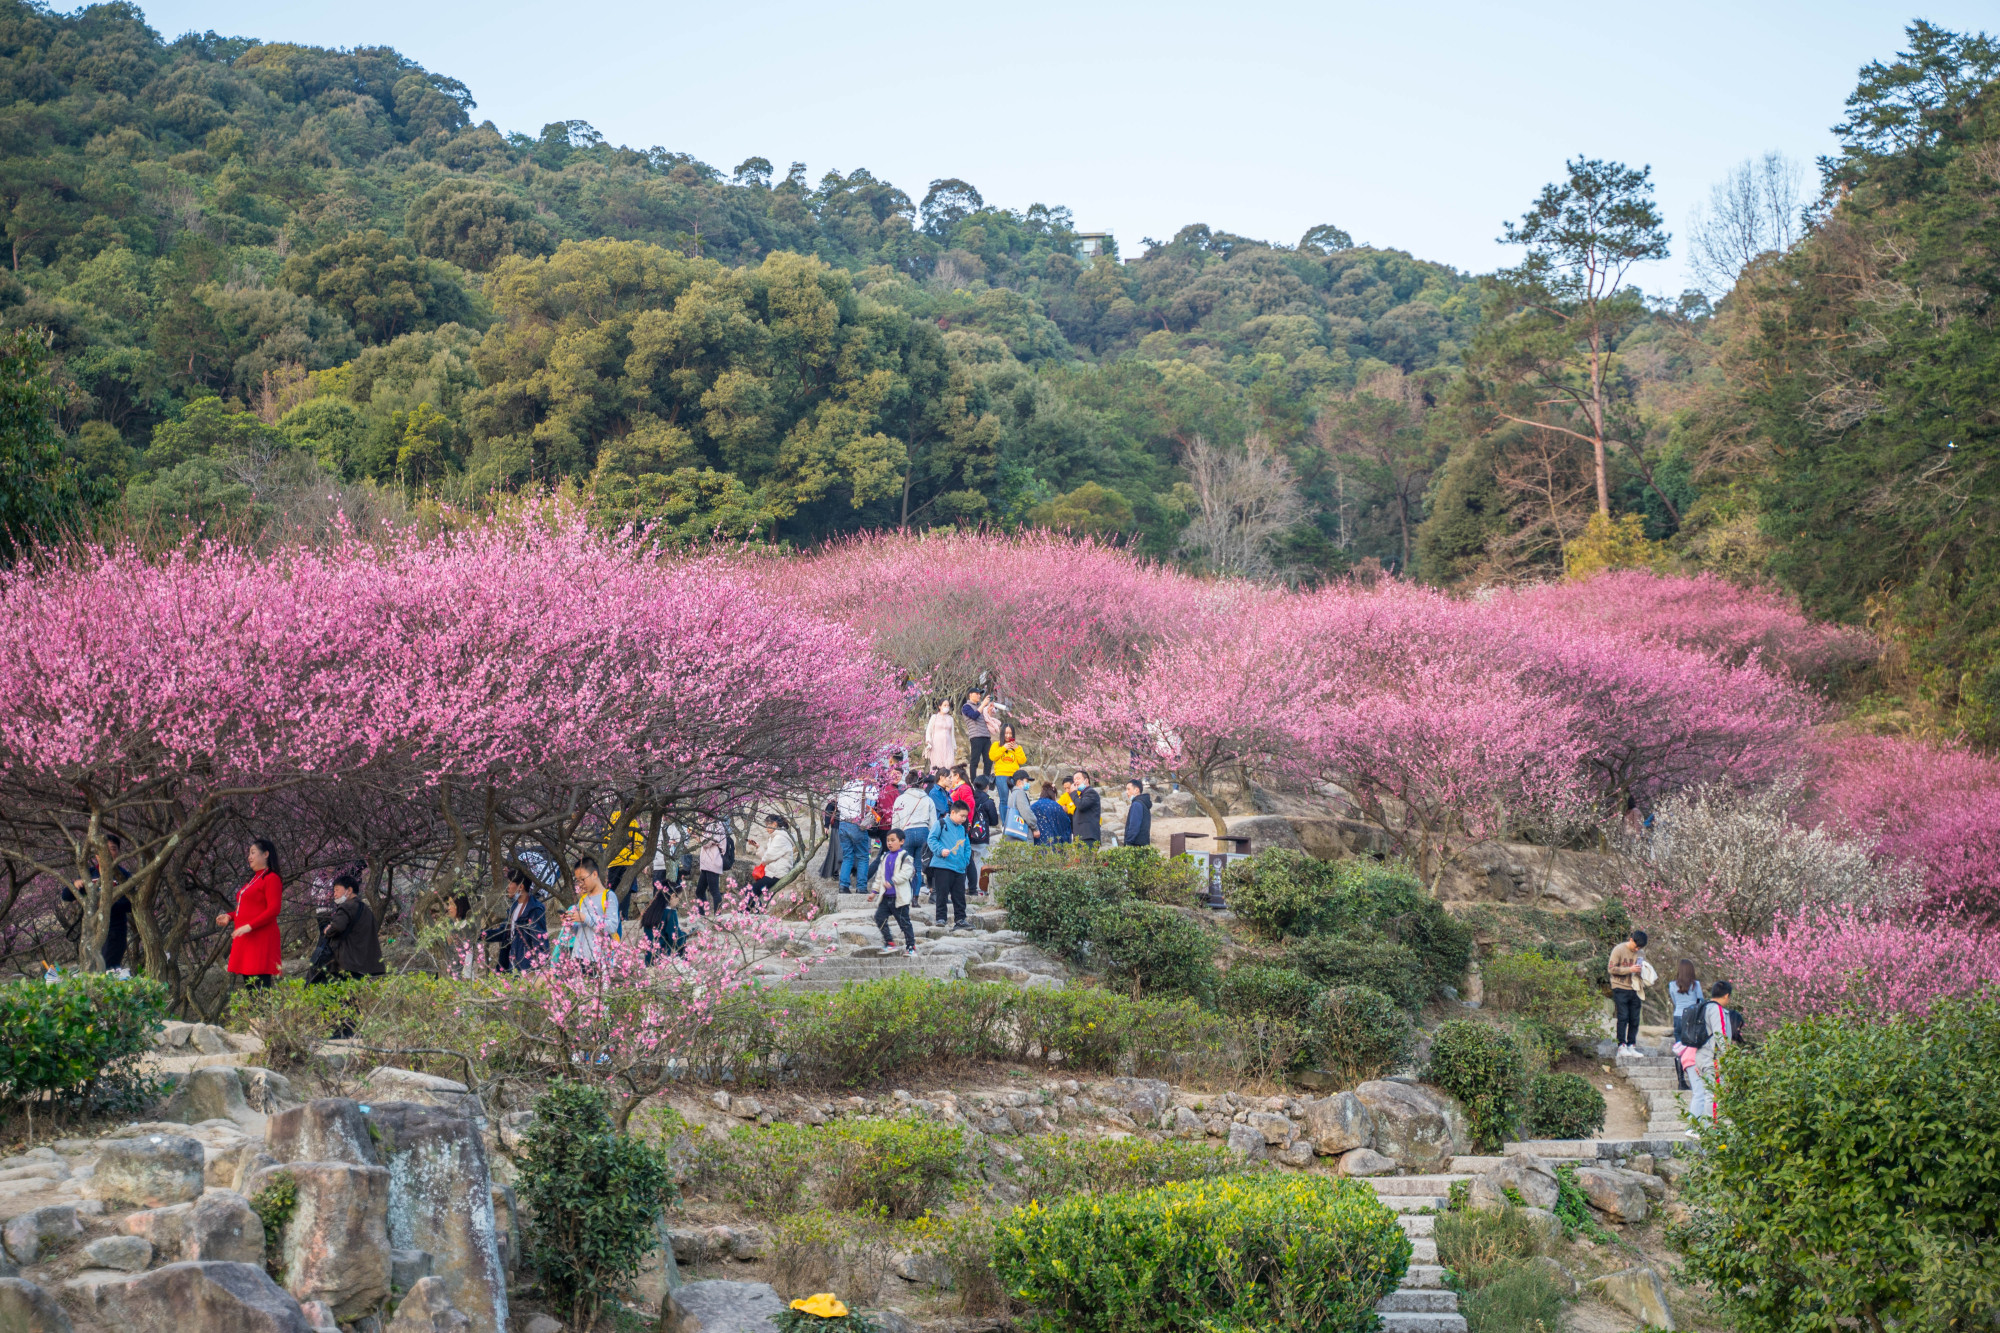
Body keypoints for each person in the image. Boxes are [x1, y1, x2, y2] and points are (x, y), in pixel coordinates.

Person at [217, 838, 284, 991]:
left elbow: (274, 909)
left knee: (259, 984)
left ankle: (262, 1016)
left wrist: (249, 926)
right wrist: (230, 916)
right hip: (247, 937)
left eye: (253, 853)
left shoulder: (271, 878)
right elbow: (249, 909)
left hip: (260, 937)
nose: (249, 857)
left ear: (266, 854)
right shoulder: (254, 879)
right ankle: (255, 1016)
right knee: (250, 984)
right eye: (249, 853)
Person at [63, 833, 133, 971]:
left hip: (114, 930)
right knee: (90, 969)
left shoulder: (124, 876)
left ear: (118, 853)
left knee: (107, 969)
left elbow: (130, 903)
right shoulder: (89, 874)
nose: (107, 853)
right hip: (91, 931)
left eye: (112, 849)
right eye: (103, 849)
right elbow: (66, 896)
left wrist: (107, 904)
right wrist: (74, 885)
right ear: (96, 855)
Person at [1685, 980, 1735, 1121]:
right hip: (1713, 1058)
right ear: (1726, 996)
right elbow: (1720, 1035)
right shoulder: (1716, 1009)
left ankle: (1710, 1128)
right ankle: (1713, 1131)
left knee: (1710, 1093)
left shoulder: (1703, 1007)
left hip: (1701, 1055)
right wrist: (1729, 1058)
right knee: (1714, 1095)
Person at [321, 874, 385, 979]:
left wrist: (327, 931)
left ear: (349, 890)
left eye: (337, 890)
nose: (335, 894)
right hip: (369, 964)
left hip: (349, 963)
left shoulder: (346, 907)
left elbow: (337, 927)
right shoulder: (366, 909)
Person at [485, 867, 548, 971]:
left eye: (510, 883)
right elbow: (504, 932)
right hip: (511, 964)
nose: (508, 887)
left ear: (521, 886)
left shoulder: (534, 909)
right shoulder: (514, 907)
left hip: (527, 967)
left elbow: (539, 940)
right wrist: (482, 935)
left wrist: (541, 967)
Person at [564, 857, 622, 967]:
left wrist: (585, 918)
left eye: (582, 879)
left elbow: (612, 926)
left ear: (594, 874)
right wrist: (569, 923)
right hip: (578, 956)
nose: (580, 884)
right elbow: (580, 931)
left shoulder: (608, 896)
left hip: (599, 958)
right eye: (577, 880)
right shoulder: (582, 900)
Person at [870, 829, 919, 954]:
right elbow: (880, 876)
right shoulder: (885, 857)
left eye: (893, 840)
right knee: (879, 917)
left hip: (900, 897)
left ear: (901, 841)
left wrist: (892, 881)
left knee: (904, 923)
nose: (889, 843)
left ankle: (911, 947)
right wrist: (874, 892)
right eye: (888, 841)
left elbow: (906, 873)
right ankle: (889, 942)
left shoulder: (906, 857)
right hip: (886, 897)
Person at [928, 802, 973, 929]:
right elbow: (931, 839)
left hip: (959, 868)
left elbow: (967, 847)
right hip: (943, 865)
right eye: (962, 816)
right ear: (953, 812)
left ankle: (960, 919)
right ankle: (941, 918)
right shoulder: (941, 824)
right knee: (942, 894)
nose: (964, 819)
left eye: (965, 816)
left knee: (959, 895)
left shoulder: (962, 829)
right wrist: (940, 850)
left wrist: (965, 861)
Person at [1607, 928, 1649, 1054]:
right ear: (1631, 940)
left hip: (1636, 987)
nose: (1637, 950)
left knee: (1634, 1018)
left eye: (1639, 948)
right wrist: (1629, 969)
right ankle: (1621, 1045)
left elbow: (1642, 968)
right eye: (1636, 946)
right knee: (1623, 1016)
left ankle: (1632, 1044)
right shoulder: (1619, 949)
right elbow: (1611, 969)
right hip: (1620, 986)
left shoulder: (1641, 953)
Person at [751, 814, 799, 905]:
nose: (766, 829)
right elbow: (768, 856)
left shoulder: (780, 838)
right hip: (774, 872)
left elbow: (768, 857)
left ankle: (748, 914)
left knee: (752, 891)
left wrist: (764, 860)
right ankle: (753, 912)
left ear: (774, 824)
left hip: (776, 873)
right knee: (755, 891)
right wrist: (758, 847)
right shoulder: (776, 837)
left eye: (768, 826)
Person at [639, 879, 687, 960]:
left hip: (649, 959)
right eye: (678, 899)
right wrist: (684, 935)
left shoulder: (650, 911)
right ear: (673, 896)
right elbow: (675, 940)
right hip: (664, 959)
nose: (678, 903)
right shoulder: (670, 913)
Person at [969, 777, 1000, 894]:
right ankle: (978, 887)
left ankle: (967, 885)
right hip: (982, 835)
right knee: (980, 861)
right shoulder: (988, 801)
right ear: (987, 787)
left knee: (968, 861)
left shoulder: (970, 797)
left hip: (968, 834)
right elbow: (994, 821)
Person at [988, 724, 1026, 816]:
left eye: (1010, 733)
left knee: (1017, 799)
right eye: (1006, 733)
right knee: (1004, 799)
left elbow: (1022, 760)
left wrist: (1016, 749)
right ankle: (1004, 824)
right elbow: (992, 757)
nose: (1008, 736)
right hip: (1001, 775)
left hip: (1015, 776)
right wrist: (1004, 748)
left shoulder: (1018, 747)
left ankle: (1014, 822)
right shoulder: (996, 745)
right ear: (1002, 733)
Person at [962, 690, 994, 783]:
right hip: (976, 736)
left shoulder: (981, 706)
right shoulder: (966, 706)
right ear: (970, 695)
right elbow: (974, 716)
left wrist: (989, 710)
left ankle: (986, 780)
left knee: (988, 760)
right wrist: (983, 705)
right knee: (975, 760)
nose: (979, 696)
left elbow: (986, 718)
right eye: (977, 694)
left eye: (980, 694)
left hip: (986, 736)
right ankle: (973, 781)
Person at [693, 826, 725, 914]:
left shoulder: (715, 825)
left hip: (712, 862)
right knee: (700, 891)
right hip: (707, 863)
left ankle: (718, 917)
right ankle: (702, 914)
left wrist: (698, 838)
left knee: (714, 890)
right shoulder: (710, 824)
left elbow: (706, 843)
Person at [1070, 771, 1102, 846]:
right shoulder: (1082, 795)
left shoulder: (1091, 793)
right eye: (1074, 780)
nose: (1075, 782)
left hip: (1088, 837)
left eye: (1078, 779)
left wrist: (1073, 793)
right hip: (1081, 837)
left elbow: (1081, 805)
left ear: (1086, 780)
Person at [1006, 767, 1038, 841]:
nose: (1028, 784)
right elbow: (1026, 812)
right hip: (1020, 836)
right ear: (1019, 782)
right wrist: (1035, 827)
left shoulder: (1013, 793)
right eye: (1026, 781)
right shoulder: (1020, 793)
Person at [925, 698, 957, 771]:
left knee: (949, 764)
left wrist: (954, 746)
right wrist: (928, 742)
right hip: (936, 745)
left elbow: (952, 734)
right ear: (940, 706)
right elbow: (929, 731)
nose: (946, 707)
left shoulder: (950, 719)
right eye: (944, 705)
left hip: (948, 745)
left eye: (948, 705)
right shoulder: (934, 717)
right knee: (937, 765)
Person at [1122, 780, 1153, 848]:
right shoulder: (1144, 803)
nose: (1127, 792)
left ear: (1136, 790)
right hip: (1143, 844)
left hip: (1135, 845)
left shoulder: (1137, 804)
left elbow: (1134, 827)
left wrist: (1128, 843)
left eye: (1128, 789)